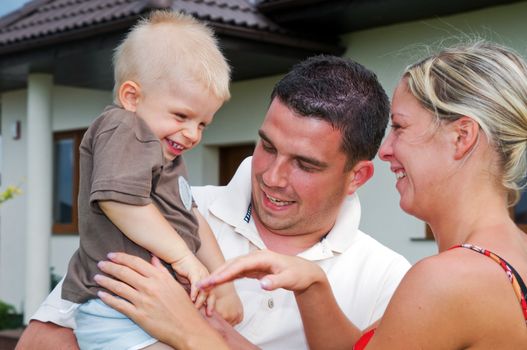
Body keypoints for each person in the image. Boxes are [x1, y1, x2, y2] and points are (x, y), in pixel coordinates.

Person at [17, 55, 411, 349]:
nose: (272, 177)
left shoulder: (389, 280)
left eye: (305, 165)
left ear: (357, 176)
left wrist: (191, 334)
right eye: (267, 146)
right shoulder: (165, 213)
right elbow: (42, 338)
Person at [191, 41, 527, 349]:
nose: (386, 151)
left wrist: (189, 330)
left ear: (461, 137)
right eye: (267, 146)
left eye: (399, 127)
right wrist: (314, 287)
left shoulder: (444, 279)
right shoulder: (510, 256)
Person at [57, 10, 242, 350]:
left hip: (154, 309)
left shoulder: (164, 156)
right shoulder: (123, 127)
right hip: (117, 310)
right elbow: (120, 202)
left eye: (203, 124)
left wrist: (224, 282)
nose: (192, 134)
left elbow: (192, 218)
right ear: (132, 97)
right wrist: (184, 259)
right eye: (182, 116)